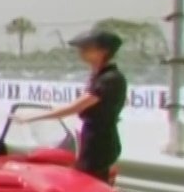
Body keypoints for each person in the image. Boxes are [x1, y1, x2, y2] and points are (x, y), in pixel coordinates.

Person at [28, 28, 127, 182]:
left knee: (90, 183)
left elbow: (75, 107)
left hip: (100, 142)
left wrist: (31, 117)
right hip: (93, 137)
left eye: (87, 48)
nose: (81, 52)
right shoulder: (100, 76)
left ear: (103, 51)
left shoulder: (109, 78)